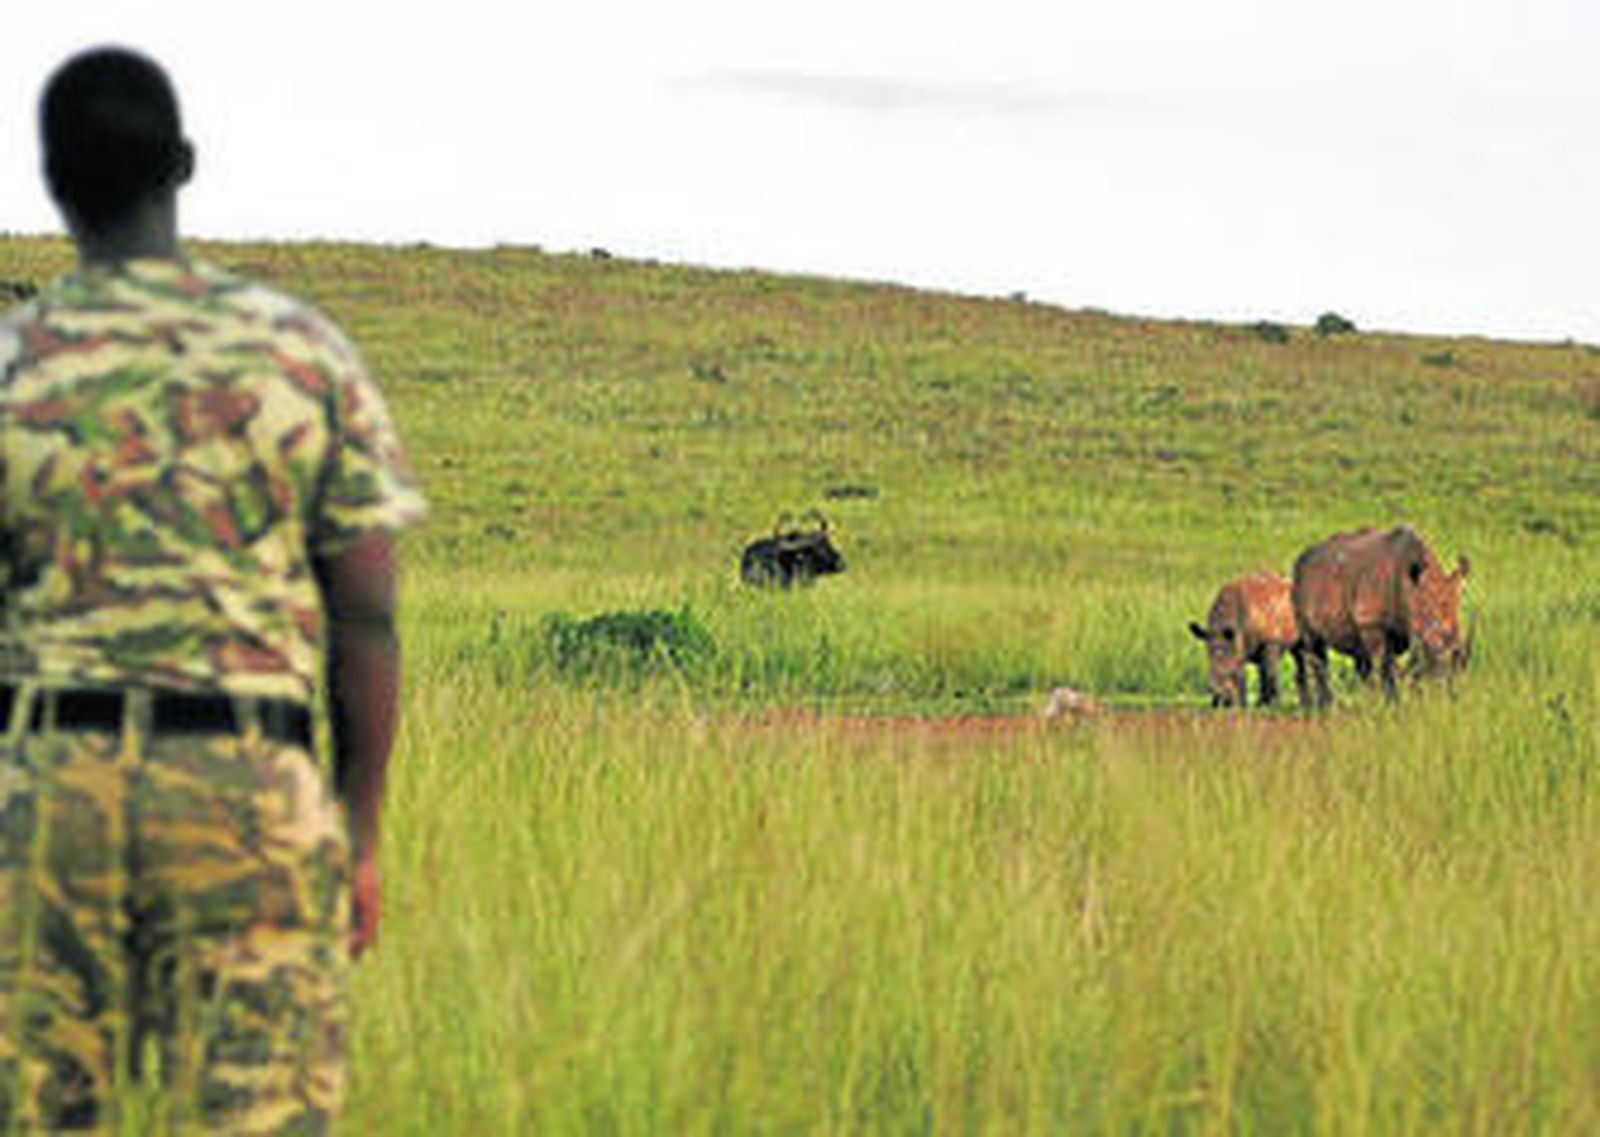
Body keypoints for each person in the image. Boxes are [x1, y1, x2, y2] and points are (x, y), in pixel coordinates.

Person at [0, 46, 425, 1131]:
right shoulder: (300, 354)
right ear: (183, 165)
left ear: (53, 180)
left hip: (48, 796)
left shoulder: (14, 362)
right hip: (250, 788)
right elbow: (366, 613)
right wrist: (358, 836)